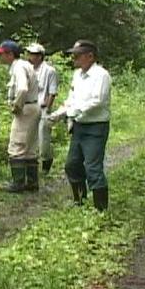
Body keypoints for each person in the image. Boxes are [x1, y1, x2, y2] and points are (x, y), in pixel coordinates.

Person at [48, 40, 111, 211]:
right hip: (79, 126)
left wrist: (74, 111)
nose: (74, 58)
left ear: (90, 56)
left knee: (92, 167)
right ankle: (80, 201)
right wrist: (58, 114)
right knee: (72, 165)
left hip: (96, 127)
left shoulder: (101, 75)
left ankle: (101, 209)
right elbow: (72, 99)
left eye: (78, 55)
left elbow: (98, 101)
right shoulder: (77, 75)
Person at [0, 39, 41, 192]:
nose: (0, 57)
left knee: (16, 146)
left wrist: (16, 106)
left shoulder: (19, 68)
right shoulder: (26, 65)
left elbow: (22, 89)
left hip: (25, 109)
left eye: (2, 54)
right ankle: (32, 182)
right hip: (33, 106)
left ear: (10, 54)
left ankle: (18, 183)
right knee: (30, 147)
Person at [25, 43, 59, 175]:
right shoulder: (28, 69)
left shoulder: (49, 71)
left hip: (43, 107)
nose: (30, 57)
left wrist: (48, 106)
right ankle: (33, 165)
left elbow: (52, 91)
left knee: (43, 138)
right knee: (30, 138)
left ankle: (46, 163)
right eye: (30, 54)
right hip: (30, 107)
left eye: (33, 54)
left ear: (40, 56)